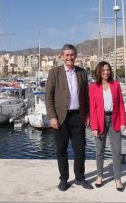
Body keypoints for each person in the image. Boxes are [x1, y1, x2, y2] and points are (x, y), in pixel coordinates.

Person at [45, 44, 92, 191]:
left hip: (78, 116)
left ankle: (79, 178)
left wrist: (88, 114)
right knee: (62, 150)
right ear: (62, 56)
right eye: (67, 55)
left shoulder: (82, 73)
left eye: (72, 55)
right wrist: (52, 117)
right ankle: (64, 179)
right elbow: (49, 97)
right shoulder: (54, 73)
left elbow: (86, 97)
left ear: (75, 56)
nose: (70, 57)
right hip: (60, 117)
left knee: (80, 149)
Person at [89, 61, 126, 192]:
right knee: (99, 151)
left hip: (114, 119)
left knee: (116, 152)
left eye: (108, 70)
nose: (106, 72)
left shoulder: (115, 85)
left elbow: (121, 104)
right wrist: (94, 127)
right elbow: (92, 108)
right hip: (100, 121)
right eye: (103, 70)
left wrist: (123, 121)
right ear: (99, 72)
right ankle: (100, 176)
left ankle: (118, 179)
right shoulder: (93, 86)